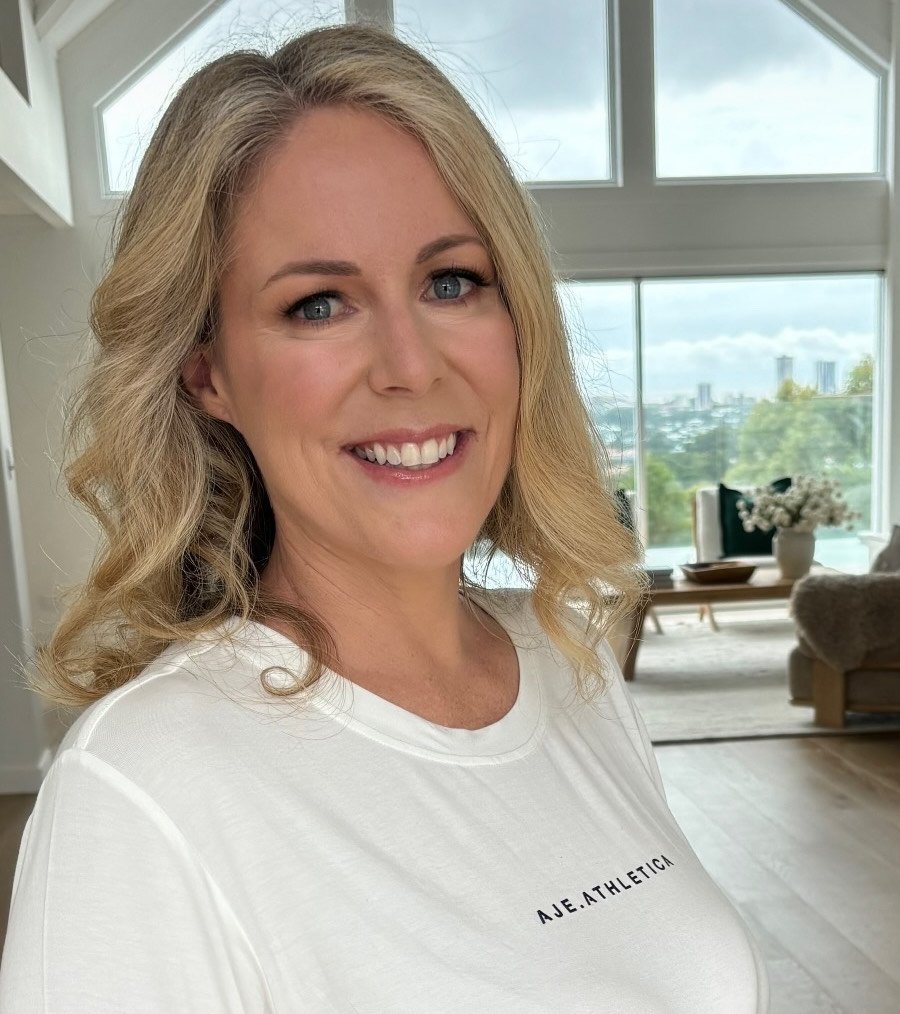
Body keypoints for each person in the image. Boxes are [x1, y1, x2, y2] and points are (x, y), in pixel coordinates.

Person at [0, 22, 769, 1013]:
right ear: (209, 373)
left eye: (453, 282)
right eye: (320, 304)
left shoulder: (567, 661)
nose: (411, 364)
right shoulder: (142, 790)